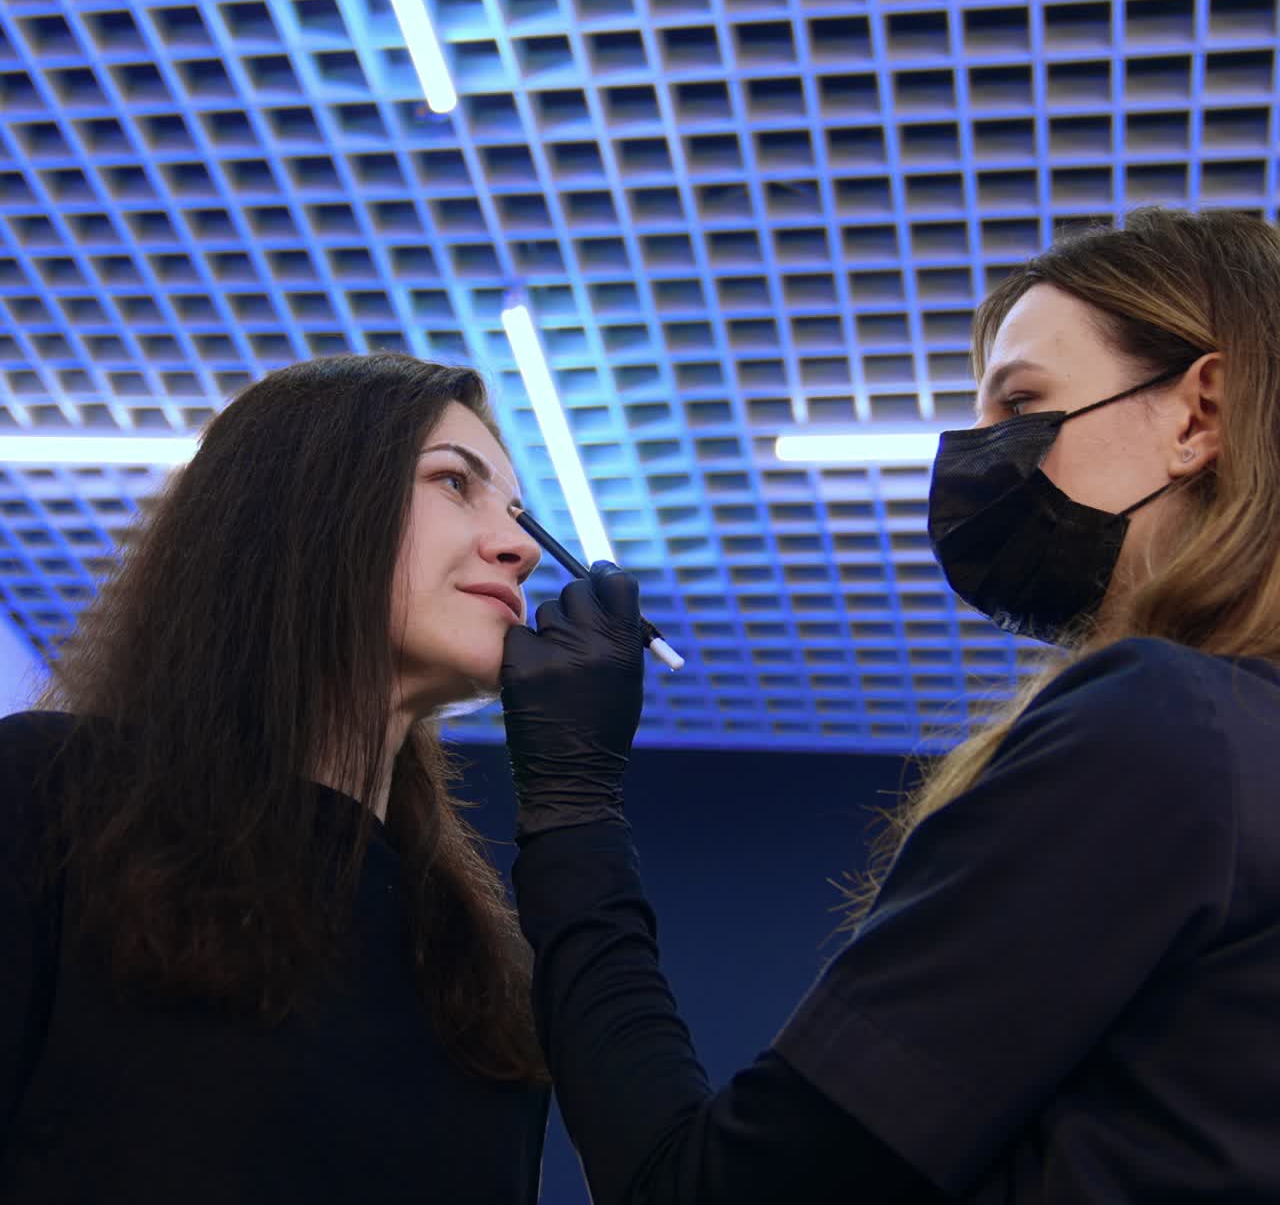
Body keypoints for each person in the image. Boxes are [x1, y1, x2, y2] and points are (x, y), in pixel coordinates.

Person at [499, 207, 1280, 1202]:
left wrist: (571, 804)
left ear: (1195, 413)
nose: (973, 456)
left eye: (1023, 402)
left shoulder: (1161, 727)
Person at [0, 355, 550, 1202]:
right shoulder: (48, 795)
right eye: (452, 482)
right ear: (311, 504)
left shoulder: (475, 970)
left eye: (517, 514)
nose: (519, 548)